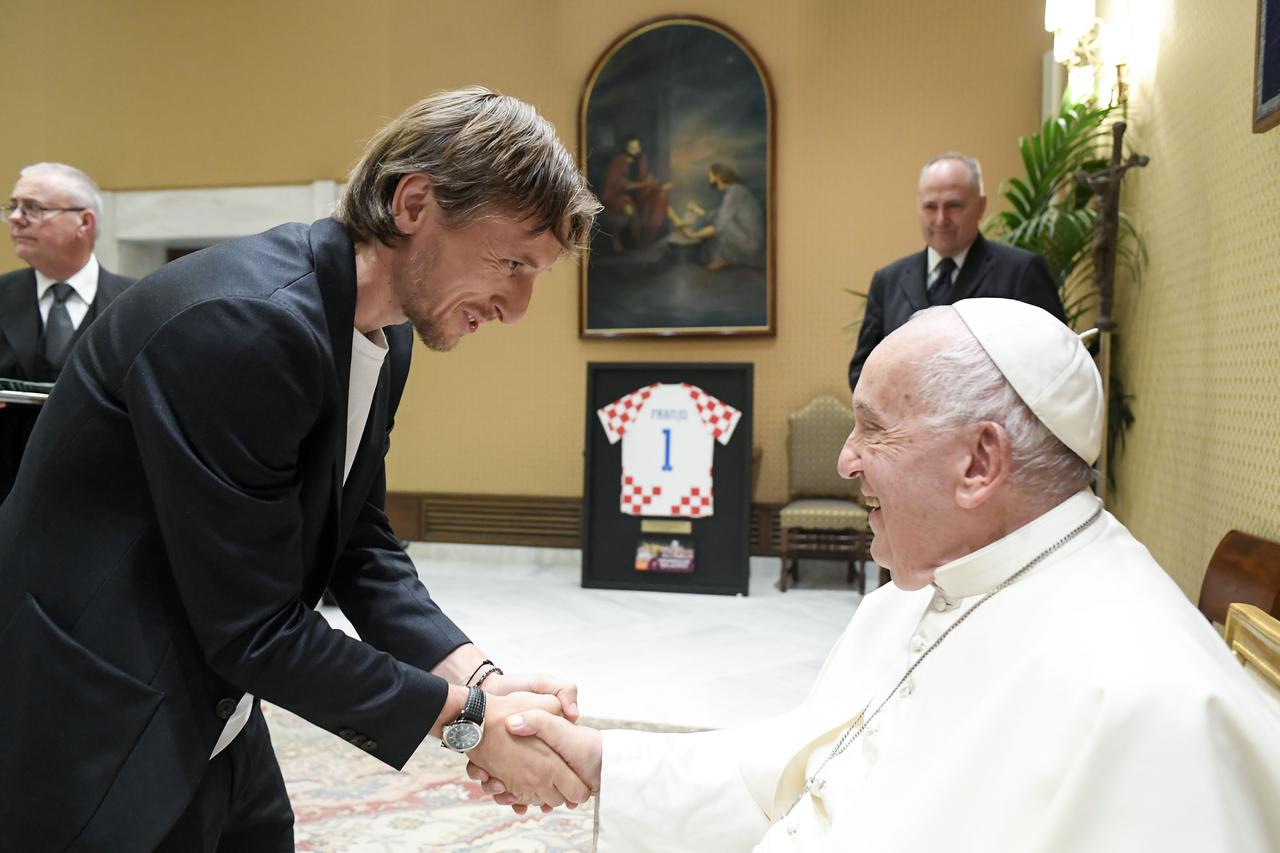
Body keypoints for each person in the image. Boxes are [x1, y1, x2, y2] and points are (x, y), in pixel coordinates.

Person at [0, 87, 601, 852]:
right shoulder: (244, 324)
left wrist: (479, 678)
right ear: (414, 203)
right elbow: (254, 627)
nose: (517, 307)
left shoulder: (384, 334)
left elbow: (360, 543)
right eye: (511, 261)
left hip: (214, 702)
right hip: (95, 714)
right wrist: (469, 723)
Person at [476, 298, 1280, 852]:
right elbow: (800, 772)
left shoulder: (1152, 703)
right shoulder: (927, 591)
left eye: (874, 430)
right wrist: (603, 760)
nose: (844, 460)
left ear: (979, 462)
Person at [847, 152, 1064, 393]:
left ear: (981, 206)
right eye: (930, 207)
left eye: (954, 206)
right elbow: (862, 371)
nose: (941, 219)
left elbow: (1054, 364)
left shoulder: (1021, 272)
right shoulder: (888, 281)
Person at [0, 162, 134, 502]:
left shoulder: (135, 303)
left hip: (103, 499)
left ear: (84, 222)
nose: (15, 218)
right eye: (13, 206)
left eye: (33, 208)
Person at [676, 163, 765, 270]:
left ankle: (721, 259)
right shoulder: (735, 190)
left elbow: (720, 225)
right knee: (719, 221)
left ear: (717, 176)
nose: (708, 178)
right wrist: (696, 210)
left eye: (710, 175)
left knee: (721, 226)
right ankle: (721, 259)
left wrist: (692, 236)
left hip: (750, 243)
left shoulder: (734, 193)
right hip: (747, 239)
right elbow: (718, 215)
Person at [600, 135, 672, 252]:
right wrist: (643, 184)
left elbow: (644, 179)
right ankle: (627, 243)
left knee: (660, 198)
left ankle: (648, 240)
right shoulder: (619, 160)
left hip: (638, 194)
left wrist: (656, 185)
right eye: (631, 147)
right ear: (626, 147)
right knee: (628, 208)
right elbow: (619, 184)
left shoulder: (641, 159)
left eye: (637, 147)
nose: (635, 150)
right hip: (617, 196)